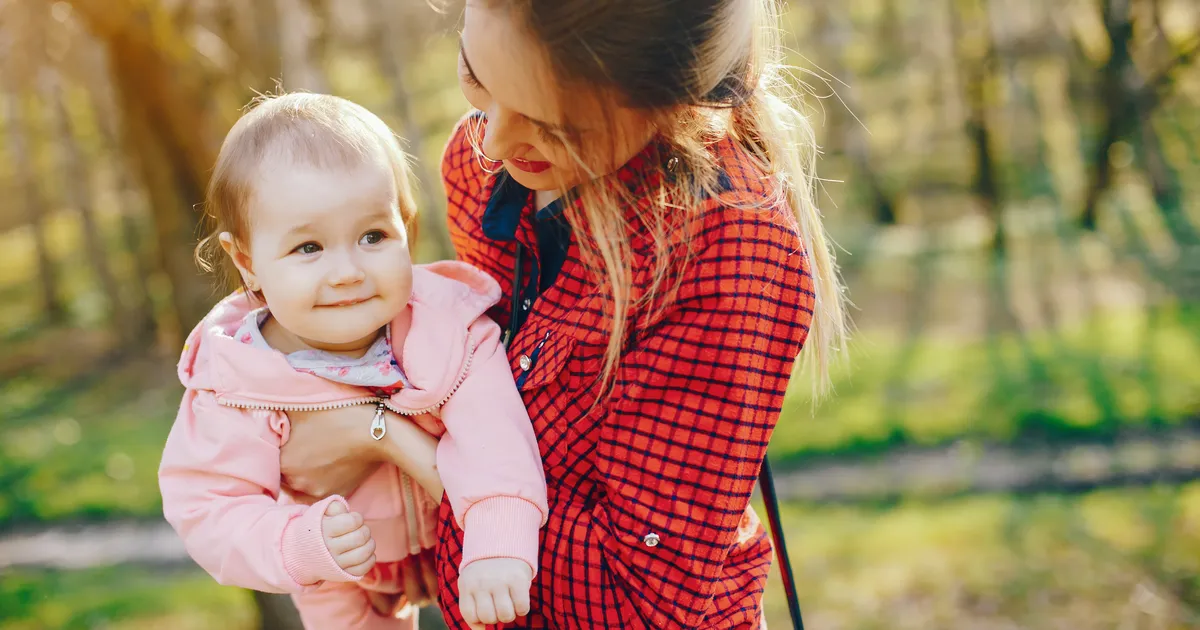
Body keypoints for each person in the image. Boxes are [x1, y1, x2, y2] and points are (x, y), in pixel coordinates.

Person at [278, 0, 849, 627]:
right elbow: (473, 388)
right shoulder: (483, 168)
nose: (490, 138)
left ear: (668, 101)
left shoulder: (725, 252)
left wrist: (386, 441)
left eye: (554, 126)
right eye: (477, 77)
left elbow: (633, 604)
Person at [158, 92, 548, 630]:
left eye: (372, 236)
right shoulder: (235, 378)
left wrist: (498, 539)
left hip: (461, 536)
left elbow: (495, 436)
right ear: (247, 262)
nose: (347, 272)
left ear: (406, 232)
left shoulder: (445, 325)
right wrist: (298, 543)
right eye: (309, 248)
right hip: (339, 570)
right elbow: (206, 506)